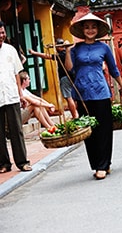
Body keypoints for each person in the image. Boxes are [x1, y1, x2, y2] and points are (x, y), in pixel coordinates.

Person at [65, 13, 122, 180]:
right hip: (82, 93)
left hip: (100, 91)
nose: (90, 30)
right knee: (89, 131)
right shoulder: (76, 49)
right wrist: (68, 52)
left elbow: (113, 68)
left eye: (93, 27)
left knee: (104, 129)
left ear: (98, 29)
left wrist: (121, 85)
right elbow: (70, 70)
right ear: (82, 30)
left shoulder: (104, 47)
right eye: (87, 27)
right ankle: (96, 163)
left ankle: (104, 164)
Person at [0, 21, 32, 173]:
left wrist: (21, 94)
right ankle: (4, 163)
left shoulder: (10, 50)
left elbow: (16, 74)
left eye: (2, 32)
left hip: (11, 95)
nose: (1, 35)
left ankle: (22, 162)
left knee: (16, 130)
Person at [29, 38, 78, 119]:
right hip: (73, 77)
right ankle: (76, 114)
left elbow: (46, 56)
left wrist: (34, 53)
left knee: (69, 98)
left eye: (56, 46)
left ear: (60, 47)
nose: (55, 48)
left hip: (65, 78)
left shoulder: (61, 55)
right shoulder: (69, 53)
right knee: (73, 98)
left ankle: (75, 116)